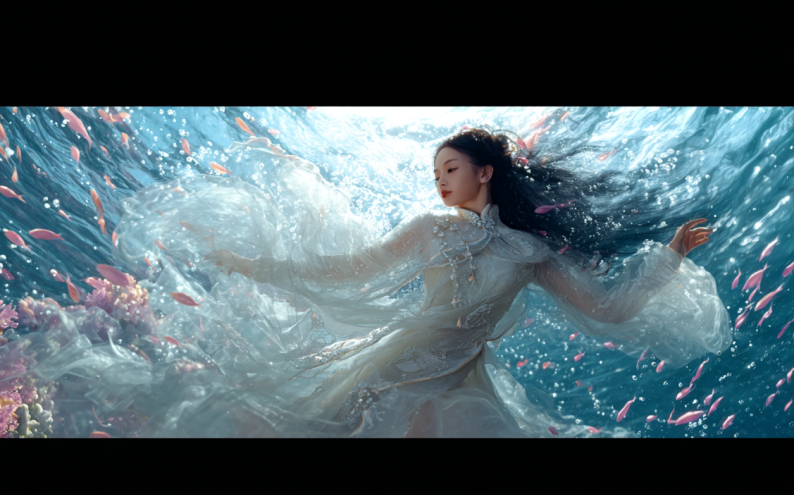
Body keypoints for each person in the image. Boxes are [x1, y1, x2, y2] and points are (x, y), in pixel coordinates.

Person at [195, 128, 732, 437]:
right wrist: (253, 265)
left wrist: (671, 257)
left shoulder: (531, 252)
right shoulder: (429, 228)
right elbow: (351, 268)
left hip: (459, 384)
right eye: (435, 175)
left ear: (485, 172)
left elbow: (606, 309)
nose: (441, 182)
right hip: (391, 363)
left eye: (450, 169)